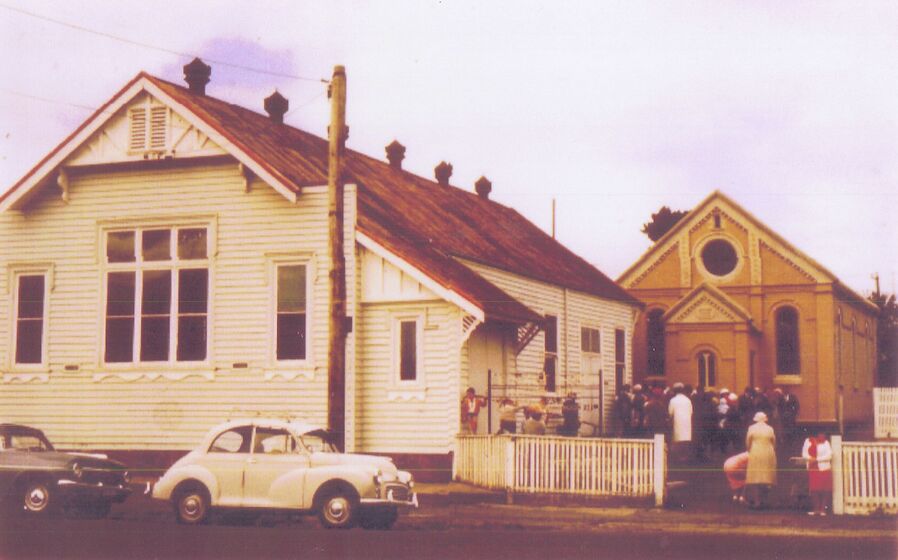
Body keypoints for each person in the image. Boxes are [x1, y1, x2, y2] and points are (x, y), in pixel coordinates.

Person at [745, 411, 777, 509]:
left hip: (756, 452)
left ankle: (757, 501)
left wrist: (749, 450)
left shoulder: (751, 428)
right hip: (768, 452)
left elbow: (748, 442)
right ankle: (764, 500)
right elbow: (773, 442)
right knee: (766, 477)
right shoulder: (770, 429)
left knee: (755, 478)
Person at [802, 431, 833, 516]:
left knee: (824, 489)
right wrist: (810, 458)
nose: (821, 436)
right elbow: (804, 454)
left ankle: (823, 509)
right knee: (814, 489)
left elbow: (829, 455)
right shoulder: (808, 441)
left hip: (824, 468)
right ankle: (816, 509)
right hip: (813, 467)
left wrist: (817, 459)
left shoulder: (826, 443)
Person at [668, 383, 693, 464]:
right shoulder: (688, 400)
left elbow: (670, 413)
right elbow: (691, 412)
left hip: (677, 423)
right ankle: (685, 458)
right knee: (686, 441)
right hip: (687, 424)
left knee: (677, 441)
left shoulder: (673, 400)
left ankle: (678, 458)